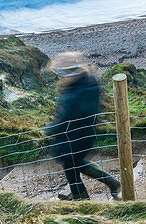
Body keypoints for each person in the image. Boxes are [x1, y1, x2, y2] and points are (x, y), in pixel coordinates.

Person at [44, 51, 122, 201]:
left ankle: (82, 200)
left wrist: (51, 128)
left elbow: (66, 119)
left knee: (71, 168)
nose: (60, 78)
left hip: (73, 138)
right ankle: (112, 183)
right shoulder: (89, 82)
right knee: (77, 163)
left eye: (61, 75)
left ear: (68, 73)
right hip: (85, 134)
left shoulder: (73, 94)